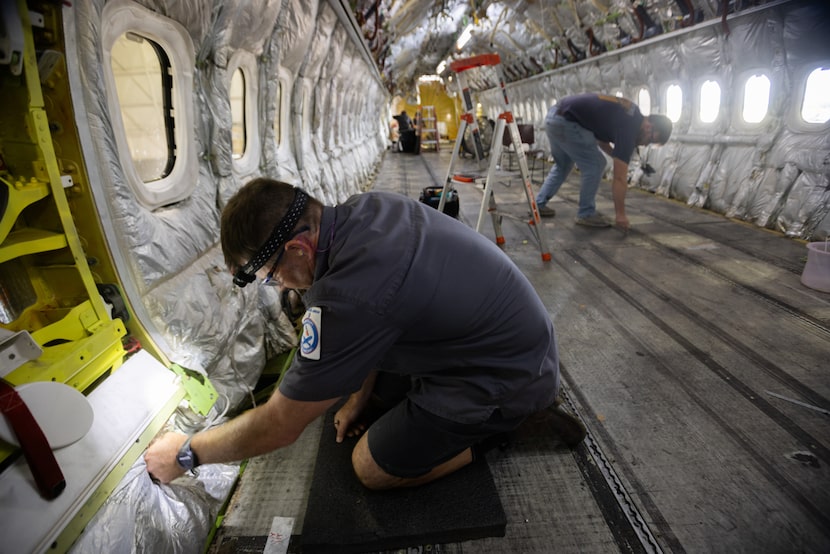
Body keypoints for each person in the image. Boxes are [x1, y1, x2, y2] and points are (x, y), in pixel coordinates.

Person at [145, 178, 585, 489]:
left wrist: (186, 453)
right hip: (510, 340)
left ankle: (505, 431)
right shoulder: (364, 210)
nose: (278, 285)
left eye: (271, 276)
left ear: (298, 249)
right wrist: (358, 397)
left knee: (372, 469)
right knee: (364, 404)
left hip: (504, 375)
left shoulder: (346, 297)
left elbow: (280, 424)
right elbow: (382, 318)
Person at [535, 93, 672, 230]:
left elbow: (601, 139)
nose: (645, 144)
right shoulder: (630, 129)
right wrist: (620, 215)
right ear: (649, 126)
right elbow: (619, 178)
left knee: (563, 165)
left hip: (554, 117)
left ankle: (538, 205)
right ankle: (586, 213)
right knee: (596, 164)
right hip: (567, 121)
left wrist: (617, 156)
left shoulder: (631, 113)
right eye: (651, 140)